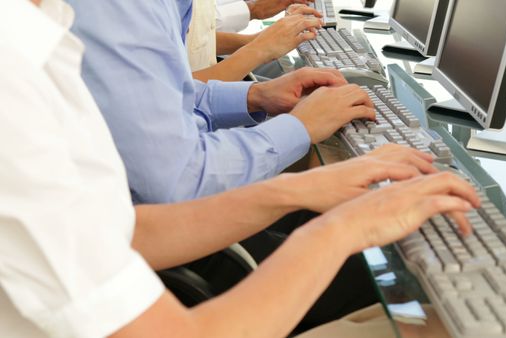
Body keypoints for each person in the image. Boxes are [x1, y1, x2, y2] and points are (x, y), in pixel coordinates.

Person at [0, 1, 480, 337]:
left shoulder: (35, 38)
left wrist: (304, 189)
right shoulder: (14, 79)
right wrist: (341, 228)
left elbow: (119, 228)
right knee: (442, 320)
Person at [67, 0, 370, 204]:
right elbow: (179, 180)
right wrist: (299, 127)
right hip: (150, 230)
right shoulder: (121, 9)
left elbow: (166, 90)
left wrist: (255, 96)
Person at [188, 1, 322, 81]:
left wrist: (257, 41)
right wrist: (260, 48)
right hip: (197, 102)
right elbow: (183, 92)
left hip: (207, 81)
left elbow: (194, 38)